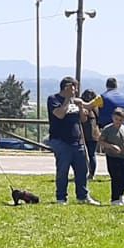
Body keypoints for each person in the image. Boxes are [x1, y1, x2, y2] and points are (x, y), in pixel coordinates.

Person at [47, 76, 100, 204]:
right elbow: (59, 114)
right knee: (63, 170)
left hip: (77, 141)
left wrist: (81, 107)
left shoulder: (76, 101)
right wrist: (67, 99)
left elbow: (83, 120)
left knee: (82, 170)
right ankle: (61, 197)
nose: (75, 91)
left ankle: (82, 196)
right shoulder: (53, 99)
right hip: (61, 140)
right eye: (73, 88)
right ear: (65, 87)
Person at [99, 105, 124, 206]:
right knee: (116, 178)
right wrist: (111, 146)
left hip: (123, 156)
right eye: (116, 119)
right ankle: (115, 199)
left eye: (120, 120)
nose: (118, 122)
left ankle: (121, 194)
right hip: (112, 156)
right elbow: (101, 141)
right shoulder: (107, 129)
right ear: (112, 118)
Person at [80, 87, 103, 179]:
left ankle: (87, 173)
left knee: (84, 155)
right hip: (95, 134)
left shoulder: (83, 108)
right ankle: (91, 174)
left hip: (84, 134)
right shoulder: (96, 108)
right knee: (91, 154)